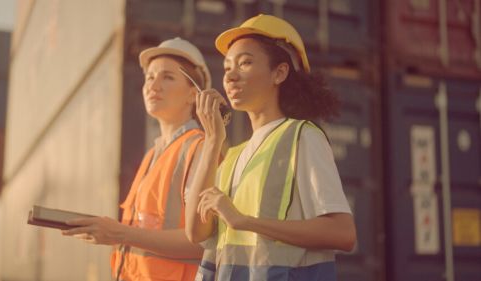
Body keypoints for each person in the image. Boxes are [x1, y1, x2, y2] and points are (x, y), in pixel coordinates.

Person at [185, 14, 357, 281]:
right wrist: (212, 140)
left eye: (245, 63)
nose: (230, 75)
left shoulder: (302, 137)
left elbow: (343, 234)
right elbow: (195, 232)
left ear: (280, 73)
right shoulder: (233, 156)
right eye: (227, 66)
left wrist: (246, 221)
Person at [62, 37, 211, 281]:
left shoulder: (199, 148)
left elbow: (205, 242)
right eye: (150, 77)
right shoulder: (153, 155)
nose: (154, 85)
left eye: (168, 77)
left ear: (193, 94)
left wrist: (121, 233)